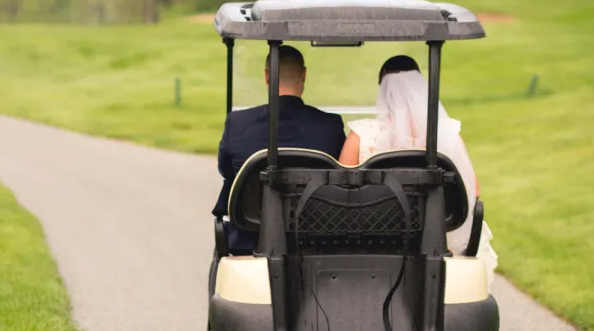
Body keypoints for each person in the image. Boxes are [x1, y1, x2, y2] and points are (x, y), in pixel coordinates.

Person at [338, 55, 498, 287]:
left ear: (382, 91)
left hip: (378, 238)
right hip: (437, 236)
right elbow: (475, 190)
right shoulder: (447, 134)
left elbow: (340, 192)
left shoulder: (362, 136)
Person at [212, 45, 347, 252]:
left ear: (267, 77)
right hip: (313, 238)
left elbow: (226, 170)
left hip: (250, 237)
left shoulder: (237, 123)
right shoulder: (330, 125)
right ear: (304, 76)